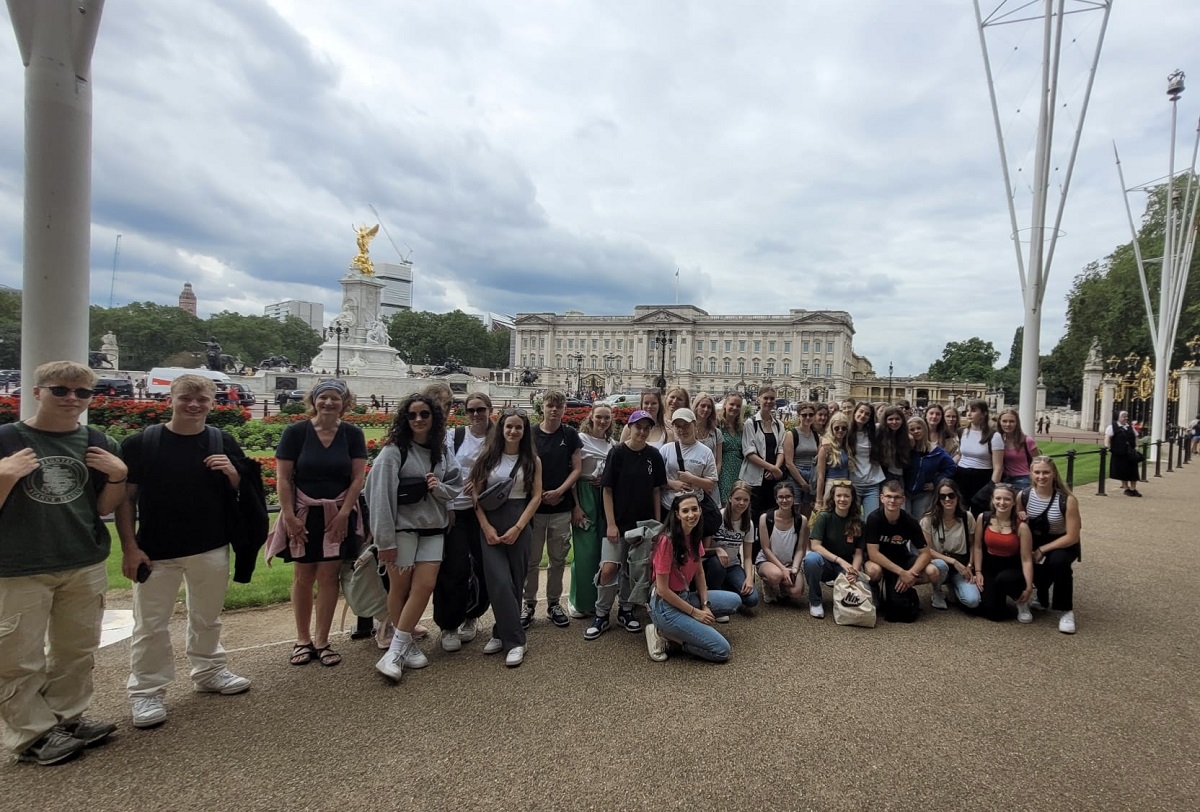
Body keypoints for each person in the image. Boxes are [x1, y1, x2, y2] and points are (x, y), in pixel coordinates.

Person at [0, 362, 126, 765]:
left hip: (81, 558)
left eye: (82, 393)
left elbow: (101, 508)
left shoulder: (97, 441)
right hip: (18, 565)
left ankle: (65, 718)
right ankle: (31, 734)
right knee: (19, 656)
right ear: (37, 392)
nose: (72, 399)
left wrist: (119, 477)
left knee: (77, 648)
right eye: (61, 390)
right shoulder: (6, 440)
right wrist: (4, 477)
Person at [117, 374, 256, 730]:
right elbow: (126, 499)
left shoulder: (220, 440)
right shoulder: (143, 443)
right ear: (171, 399)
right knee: (150, 625)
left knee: (207, 616)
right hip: (156, 549)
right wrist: (130, 547)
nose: (194, 405)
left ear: (212, 402)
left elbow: (245, 488)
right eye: (186, 398)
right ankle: (147, 690)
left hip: (209, 544)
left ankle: (209, 670)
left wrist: (233, 474)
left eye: (202, 399)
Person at [269, 379, 367, 668]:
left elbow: (357, 478)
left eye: (335, 398)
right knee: (303, 576)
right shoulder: (296, 432)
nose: (328, 403)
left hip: (338, 512)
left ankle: (322, 640)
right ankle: (302, 638)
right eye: (323, 397)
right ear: (314, 400)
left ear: (344, 403)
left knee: (328, 577)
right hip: (303, 513)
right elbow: (284, 478)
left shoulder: (352, 434)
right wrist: (288, 516)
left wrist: (344, 513)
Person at [366, 394, 462, 681]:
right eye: (412, 415)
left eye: (424, 414)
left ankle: (397, 648)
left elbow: (456, 485)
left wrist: (438, 488)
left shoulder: (441, 451)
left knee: (425, 586)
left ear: (433, 417)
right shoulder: (394, 451)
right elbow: (379, 496)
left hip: (433, 527)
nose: (418, 420)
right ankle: (402, 646)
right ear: (405, 420)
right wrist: (384, 541)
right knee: (400, 588)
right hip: (402, 529)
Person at [472, 409, 543, 666]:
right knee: (498, 582)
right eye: (509, 426)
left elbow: (536, 496)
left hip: (519, 519)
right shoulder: (488, 457)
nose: (513, 431)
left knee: (514, 581)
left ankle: (501, 633)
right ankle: (516, 640)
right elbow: (476, 497)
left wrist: (519, 527)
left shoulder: (532, 460)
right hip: (491, 520)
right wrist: (486, 527)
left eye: (519, 428)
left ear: (525, 432)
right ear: (501, 429)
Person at [589, 410, 667, 640]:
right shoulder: (618, 453)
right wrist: (611, 523)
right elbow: (607, 489)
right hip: (618, 521)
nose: (642, 431)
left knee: (633, 569)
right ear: (629, 428)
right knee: (609, 567)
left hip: (643, 523)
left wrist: (657, 523)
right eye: (638, 427)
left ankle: (625, 609)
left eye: (646, 428)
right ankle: (602, 613)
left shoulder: (653, 455)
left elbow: (656, 491)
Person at [644, 494, 743, 663]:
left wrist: (705, 605)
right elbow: (662, 589)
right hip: (665, 606)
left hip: (684, 596)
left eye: (694, 509)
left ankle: (684, 625)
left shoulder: (694, 534)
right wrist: (695, 613)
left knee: (734, 600)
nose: (691, 515)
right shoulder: (666, 541)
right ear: (677, 514)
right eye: (685, 511)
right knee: (721, 651)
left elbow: (699, 573)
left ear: (700, 510)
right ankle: (664, 636)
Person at [432, 392, 494, 653]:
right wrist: (447, 505)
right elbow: (443, 471)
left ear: (490, 410)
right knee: (454, 568)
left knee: (483, 567)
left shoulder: (498, 437)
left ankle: (472, 614)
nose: (476, 414)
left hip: (486, 510)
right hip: (457, 509)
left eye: (481, 409)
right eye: (471, 410)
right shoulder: (454, 436)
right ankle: (449, 623)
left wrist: (482, 482)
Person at [521, 390, 582, 629]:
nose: (554, 410)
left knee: (557, 559)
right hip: (535, 507)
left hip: (560, 506)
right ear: (542, 408)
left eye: (559, 406)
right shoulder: (531, 434)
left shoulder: (570, 434)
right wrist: (539, 494)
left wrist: (559, 491)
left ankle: (554, 602)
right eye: (550, 406)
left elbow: (576, 469)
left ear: (564, 409)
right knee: (532, 560)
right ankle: (529, 603)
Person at [1022, 457, 1083, 634]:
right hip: (1035, 539)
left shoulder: (1067, 500)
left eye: (1046, 472)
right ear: (1031, 474)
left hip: (1062, 542)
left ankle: (1065, 610)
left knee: (1058, 563)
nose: (1042, 476)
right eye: (1037, 472)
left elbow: (1073, 535)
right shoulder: (1024, 496)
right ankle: (1040, 596)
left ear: (1054, 473)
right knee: (1026, 560)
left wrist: (1043, 550)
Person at [863, 480, 937, 615]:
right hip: (878, 561)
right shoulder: (874, 518)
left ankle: (903, 586)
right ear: (882, 498)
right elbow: (873, 554)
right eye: (889, 496)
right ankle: (874, 588)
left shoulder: (910, 521)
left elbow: (925, 553)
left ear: (903, 500)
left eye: (897, 497)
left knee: (933, 571)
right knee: (874, 571)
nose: (892, 500)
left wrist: (910, 574)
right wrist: (902, 573)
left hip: (902, 558)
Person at [569, 403, 615, 619]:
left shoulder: (612, 443)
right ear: (591, 417)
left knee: (602, 551)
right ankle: (578, 601)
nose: (603, 421)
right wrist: (575, 506)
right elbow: (573, 474)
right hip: (584, 493)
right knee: (584, 551)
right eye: (599, 417)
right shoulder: (581, 440)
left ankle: (598, 601)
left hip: (605, 496)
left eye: (607, 417)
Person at [802, 480, 865, 619]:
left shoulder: (859, 522)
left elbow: (859, 553)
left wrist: (853, 571)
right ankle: (815, 601)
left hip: (846, 567)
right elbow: (815, 546)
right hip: (826, 563)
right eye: (839, 495)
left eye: (846, 496)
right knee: (811, 560)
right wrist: (839, 560)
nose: (842, 499)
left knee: (860, 588)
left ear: (852, 498)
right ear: (833, 497)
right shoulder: (825, 516)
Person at [972, 483, 1034, 622]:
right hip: (990, 566)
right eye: (998, 498)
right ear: (992, 500)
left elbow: (1026, 559)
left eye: (1006, 499)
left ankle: (1020, 601)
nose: (1002, 502)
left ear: (1013, 502)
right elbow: (977, 547)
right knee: (994, 613)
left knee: (1004, 579)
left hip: (1012, 567)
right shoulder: (984, 518)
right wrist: (978, 571)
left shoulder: (1021, 526)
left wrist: (1029, 587)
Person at [659, 407, 717, 544]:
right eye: (678, 426)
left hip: (693, 510)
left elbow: (710, 483)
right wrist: (673, 484)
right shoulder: (666, 449)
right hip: (669, 507)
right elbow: (656, 478)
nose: (682, 430)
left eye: (686, 425)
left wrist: (692, 479)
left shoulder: (705, 452)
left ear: (694, 425)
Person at [920, 478, 981, 610]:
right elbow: (927, 550)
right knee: (941, 566)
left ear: (957, 496)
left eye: (951, 495)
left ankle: (954, 586)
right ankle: (937, 591)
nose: (947, 499)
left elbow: (972, 545)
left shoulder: (967, 517)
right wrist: (953, 562)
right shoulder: (928, 520)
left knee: (973, 601)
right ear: (938, 499)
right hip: (939, 562)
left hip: (961, 564)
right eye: (943, 496)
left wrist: (970, 565)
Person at [703, 481, 759, 616]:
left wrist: (749, 578)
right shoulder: (718, 517)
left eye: (746, 500)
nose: (741, 503)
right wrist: (717, 550)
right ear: (729, 498)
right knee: (718, 564)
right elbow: (703, 550)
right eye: (738, 499)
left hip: (733, 565)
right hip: (712, 564)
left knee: (752, 599)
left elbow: (747, 557)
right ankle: (717, 601)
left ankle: (728, 588)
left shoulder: (748, 523)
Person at [755, 481, 809, 604]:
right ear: (776, 499)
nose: (784, 500)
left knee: (796, 592)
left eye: (788, 496)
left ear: (794, 498)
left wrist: (794, 569)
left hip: (790, 562)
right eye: (781, 497)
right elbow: (765, 548)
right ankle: (768, 583)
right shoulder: (766, 518)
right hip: (768, 561)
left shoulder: (801, 520)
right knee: (776, 575)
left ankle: (784, 585)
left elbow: (801, 548)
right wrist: (782, 569)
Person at [740, 387, 785, 518]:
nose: (769, 401)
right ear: (759, 399)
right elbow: (749, 452)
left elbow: (781, 449)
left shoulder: (778, 424)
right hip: (755, 477)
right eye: (766, 398)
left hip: (772, 479)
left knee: (770, 515)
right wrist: (772, 468)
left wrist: (776, 468)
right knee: (754, 514)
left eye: (772, 398)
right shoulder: (751, 423)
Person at [955, 399, 1003, 510]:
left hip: (982, 477)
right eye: (967, 410)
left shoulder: (994, 436)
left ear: (984, 413)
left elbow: (998, 467)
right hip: (962, 475)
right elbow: (960, 455)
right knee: (961, 512)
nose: (969, 414)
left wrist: (991, 486)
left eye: (973, 410)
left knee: (979, 511)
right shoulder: (962, 432)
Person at [905, 416, 956, 518]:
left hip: (923, 494)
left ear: (924, 429)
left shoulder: (936, 451)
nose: (916, 431)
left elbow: (951, 467)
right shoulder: (906, 449)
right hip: (905, 492)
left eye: (919, 428)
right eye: (912, 429)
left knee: (920, 521)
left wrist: (936, 481)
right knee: (905, 520)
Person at [847, 402, 886, 517]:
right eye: (861, 411)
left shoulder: (875, 431)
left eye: (867, 414)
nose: (863, 415)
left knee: (871, 519)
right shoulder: (846, 432)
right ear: (855, 412)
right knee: (854, 520)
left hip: (872, 483)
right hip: (854, 483)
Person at [783, 402, 820, 517]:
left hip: (811, 477)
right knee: (794, 510)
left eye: (810, 415)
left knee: (807, 511)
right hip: (796, 476)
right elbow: (789, 462)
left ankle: (803, 534)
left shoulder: (815, 435)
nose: (807, 418)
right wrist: (802, 482)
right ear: (799, 416)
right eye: (804, 415)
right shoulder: (792, 434)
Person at [998, 408, 1039, 491]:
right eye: (1004, 421)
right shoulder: (998, 440)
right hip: (1004, 479)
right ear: (999, 422)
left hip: (1023, 480)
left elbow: (1038, 460)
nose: (1008, 424)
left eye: (1011, 421)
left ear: (1017, 423)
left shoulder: (1027, 440)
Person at [814, 412, 852, 501]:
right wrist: (819, 500)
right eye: (836, 428)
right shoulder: (826, 448)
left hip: (846, 485)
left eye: (844, 428)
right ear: (831, 428)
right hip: (831, 485)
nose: (840, 430)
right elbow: (820, 476)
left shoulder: (848, 446)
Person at [717, 392, 745, 503]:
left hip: (739, 469)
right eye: (732, 404)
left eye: (738, 406)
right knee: (725, 503)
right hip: (723, 470)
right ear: (725, 405)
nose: (735, 408)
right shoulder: (718, 424)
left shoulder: (741, 427)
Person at [1105, 410, 1141, 496]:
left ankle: (1133, 488)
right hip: (1119, 453)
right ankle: (1126, 487)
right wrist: (1106, 446)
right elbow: (1108, 437)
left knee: (1133, 470)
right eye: (1124, 416)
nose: (1126, 418)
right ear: (1118, 418)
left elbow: (1136, 436)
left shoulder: (1130, 427)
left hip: (1131, 453)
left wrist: (1136, 446)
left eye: (1126, 416)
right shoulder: (1112, 427)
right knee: (1122, 470)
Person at [692, 392, 724, 480]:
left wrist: (711, 480)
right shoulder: (688, 431)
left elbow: (718, 463)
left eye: (709, 407)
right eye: (703, 406)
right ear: (696, 406)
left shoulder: (717, 433)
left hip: (710, 482)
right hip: (691, 480)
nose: (706, 409)